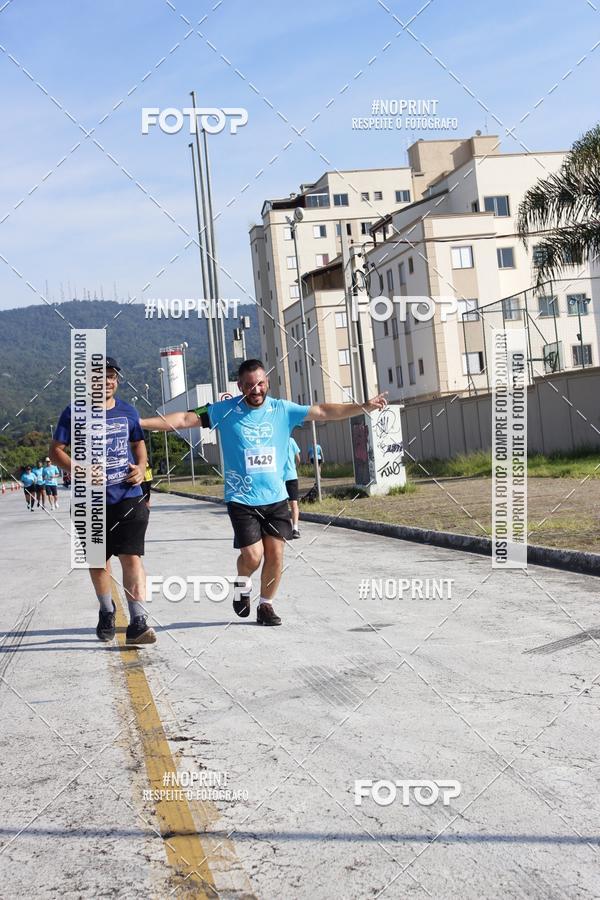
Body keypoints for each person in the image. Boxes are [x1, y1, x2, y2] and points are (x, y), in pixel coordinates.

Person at [141, 358, 387, 626]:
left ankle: (266, 605)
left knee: (276, 555)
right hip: (241, 498)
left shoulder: (283, 409)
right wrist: (141, 421)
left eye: (260, 384)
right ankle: (241, 583)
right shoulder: (223, 410)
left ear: (267, 382)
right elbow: (185, 418)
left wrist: (362, 406)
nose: (255, 390)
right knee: (252, 557)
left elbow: (323, 411)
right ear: (239, 386)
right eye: (249, 385)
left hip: (276, 497)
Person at [50, 356, 156, 646]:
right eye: (99, 377)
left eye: (111, 376)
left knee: (131, 557)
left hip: (127, 496)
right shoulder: (73, 413)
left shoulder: (128, 411)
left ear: (116, 381)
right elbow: (55, 451)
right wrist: (79, 469)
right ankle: (107, 610)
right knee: (99, 560)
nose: (106, 381)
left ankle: (137, 620)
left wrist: (141, 466)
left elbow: (138, 444)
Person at [284, 436, 301, 539]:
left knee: (281, 505)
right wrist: (294, 468)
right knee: (294, 504)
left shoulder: (275, 439)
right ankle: (295, 529)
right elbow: (298, 459)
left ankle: (283, 529)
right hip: (292, 476)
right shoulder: (291, 440)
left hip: (279, 478)